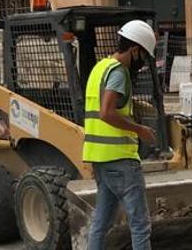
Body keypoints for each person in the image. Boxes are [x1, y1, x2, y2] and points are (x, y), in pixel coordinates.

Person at [83, 20, 157, 250]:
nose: (142, 62)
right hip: (121, 161)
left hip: (100, 159)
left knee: (101, 222)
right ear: (134, 50)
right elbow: (106, 112)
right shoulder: (118, 72)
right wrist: (139, 130)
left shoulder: (100, 68)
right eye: (143, 56)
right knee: (140, 224)